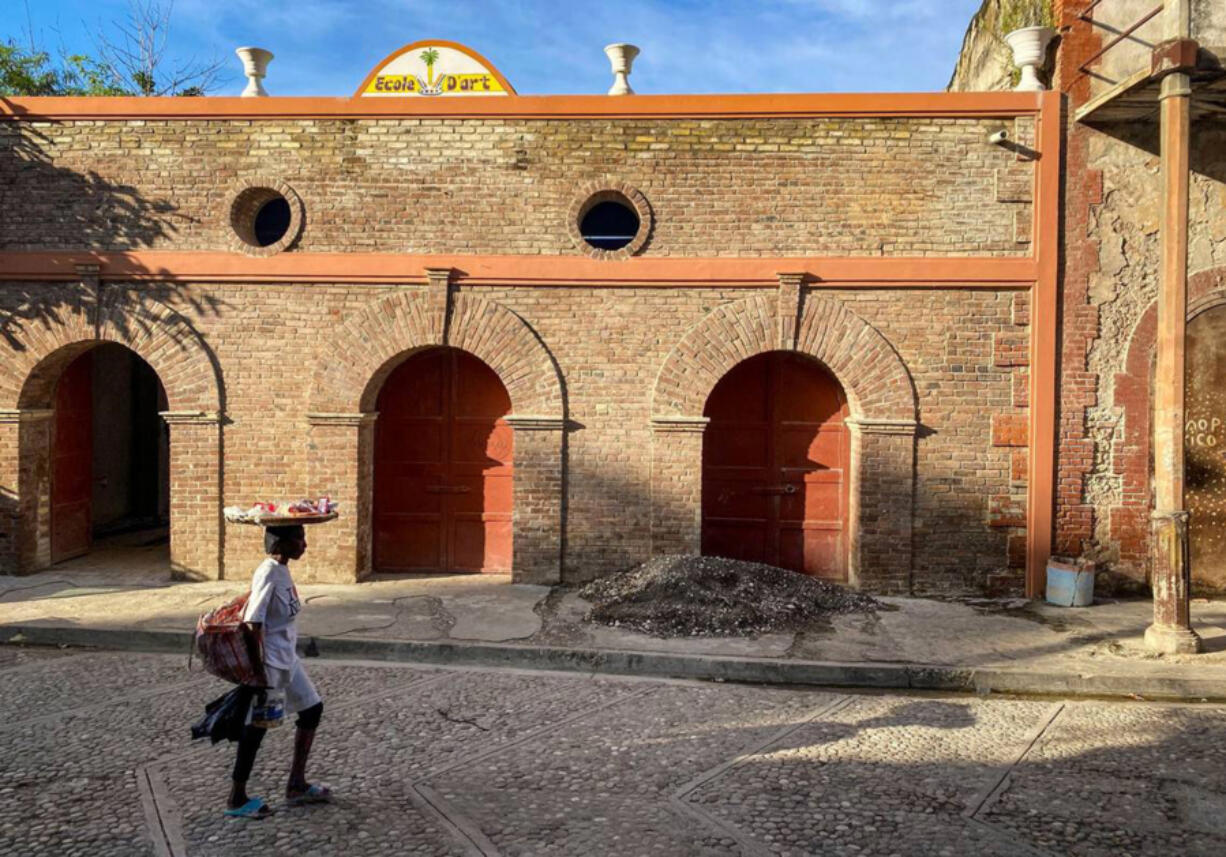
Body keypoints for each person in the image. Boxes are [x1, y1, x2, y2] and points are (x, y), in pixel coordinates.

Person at [225, 524, 331, 818]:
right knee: (257, 728)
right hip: (270, 665)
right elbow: (251, 622)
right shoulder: (268, 572)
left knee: (312, 710)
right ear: (281, 543)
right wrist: (257, 671)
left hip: (288, 659)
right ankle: (237, 798)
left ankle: (296, 784)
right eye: (299, 539)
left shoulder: (283, 570)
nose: (304, 545)